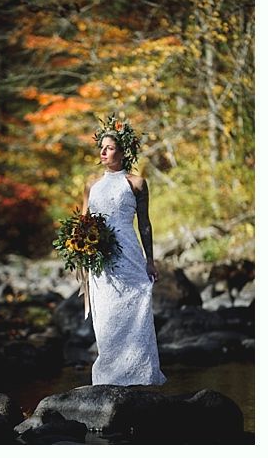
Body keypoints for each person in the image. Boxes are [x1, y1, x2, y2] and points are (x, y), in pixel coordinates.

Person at [80, 118, 166, 386]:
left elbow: (145, 223)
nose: (103, 152)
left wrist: (150, 261)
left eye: (109, 148)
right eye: (101, 148)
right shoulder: (91, 186)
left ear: (123, 151)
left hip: (128, 254)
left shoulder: (137, 183)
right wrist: (81, 250)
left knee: (134, 309)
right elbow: (83, 223)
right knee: (106, 315)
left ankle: (140, 375)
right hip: (100, 259)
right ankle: (109, 378)